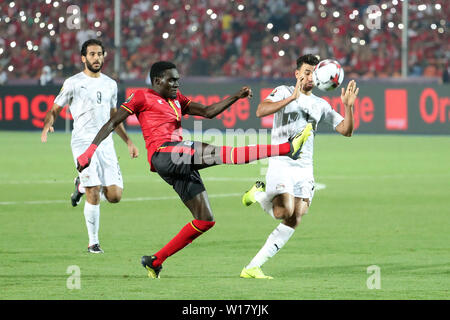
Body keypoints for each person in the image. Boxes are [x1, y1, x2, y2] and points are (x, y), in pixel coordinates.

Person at [76, 61, 313, 278]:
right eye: (172, 80)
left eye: (178, 79)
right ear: (157, 81)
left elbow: (208, 112)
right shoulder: (141, 96)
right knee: (222, 153)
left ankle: (155, 260)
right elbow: (112, 122)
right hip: (164, 153)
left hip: (177, 161)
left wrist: (235, 97)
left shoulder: (177, 99)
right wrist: (89, 152)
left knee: (205, 220)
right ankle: (286, 148)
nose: (176, 84)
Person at [240, 54, 359, 279]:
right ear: (297, 74)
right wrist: (292, 97)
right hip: (281, 161)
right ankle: (257, 194)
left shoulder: (320, 104)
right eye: (306, 72)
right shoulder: (283, 91)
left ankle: (252, 267)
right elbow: (261, 110)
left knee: (295, 217)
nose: (310, 77)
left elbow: (347, 130)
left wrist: (348, 107)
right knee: (283, 211)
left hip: (304, 168)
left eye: (314, 73)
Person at [41, 39, 139, 253]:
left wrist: (129, 141)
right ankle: (93, 243)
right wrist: (49, 121)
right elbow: (55, 108)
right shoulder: (73, 82)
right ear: (84, 58)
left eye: (99, 54)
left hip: (106, 145)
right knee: (93, 190)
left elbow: (114, 118)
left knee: (114, 196)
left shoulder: (111, 84)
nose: (96, 58)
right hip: (83, 143)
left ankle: (79, 186)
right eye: (92, 54)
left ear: (104, 56)